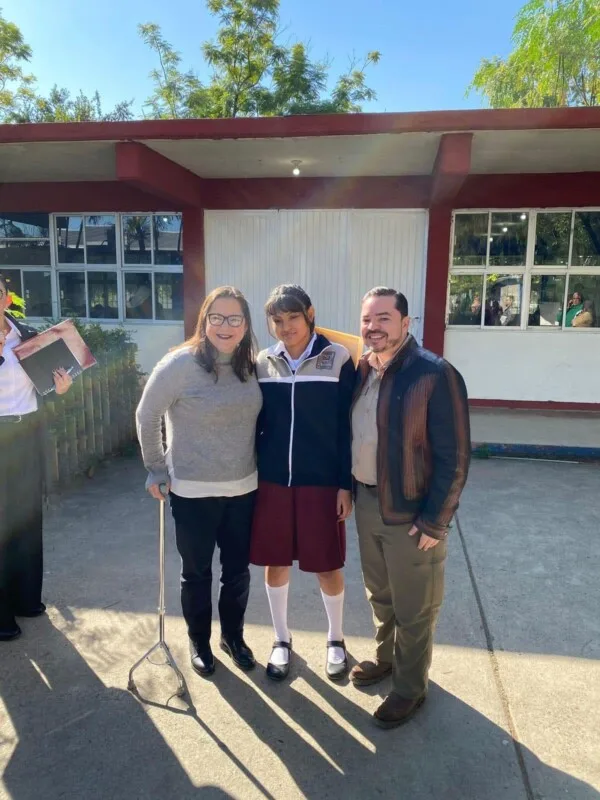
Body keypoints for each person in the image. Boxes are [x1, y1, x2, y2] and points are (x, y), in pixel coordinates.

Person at [350, 286, 471, 728]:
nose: (373, 327)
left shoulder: (434, 374)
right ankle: (386, 659)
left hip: (412, 515)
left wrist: (435, 522)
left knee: (415, 607)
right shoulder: (363, 369)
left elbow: (455, 456)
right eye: (367, 319)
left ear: (405, 323)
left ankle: (409, 688)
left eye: (384, 318)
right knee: (380, 594)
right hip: (367, 502)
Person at [136, 286, 263, 677]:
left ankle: (233, 637)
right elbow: (147, 414)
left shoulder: (252, 365)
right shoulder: (179, 364)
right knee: (197, 573)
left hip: (243, 489)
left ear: (245, 325)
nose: (225, 326)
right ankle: (199, 641)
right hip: (192, 492)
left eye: (234, 318)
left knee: (237, 572)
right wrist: (156, 467)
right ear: (204, 320)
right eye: (217, 317)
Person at [250, 285, 355, 682]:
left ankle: (335, 638)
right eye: (277, 320)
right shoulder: (263, 362)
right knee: (276, 562)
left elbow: (348, 427)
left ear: (310, 314)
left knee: (327, 566)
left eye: (293, 317)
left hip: (322, 484)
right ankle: (281, 639)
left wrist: (344, 485)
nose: (285, 327)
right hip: (273, 483)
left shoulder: (338, 358)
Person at [0, 273, 72, 642]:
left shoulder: (28, 335)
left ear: (7, 298)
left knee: (27, 518)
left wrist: (60, 387)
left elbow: (44, 384)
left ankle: (26, 599)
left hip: (27, 433)